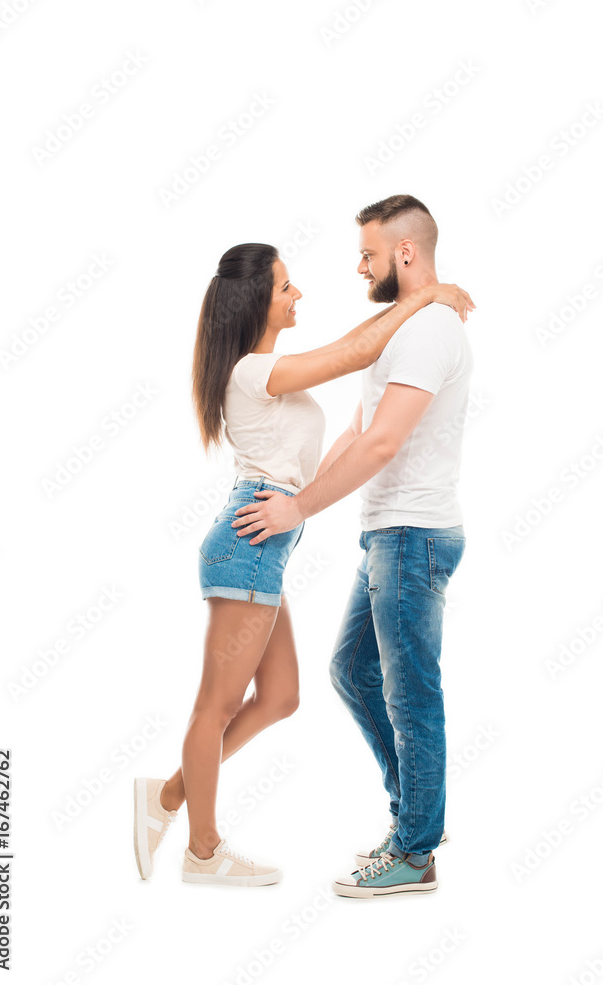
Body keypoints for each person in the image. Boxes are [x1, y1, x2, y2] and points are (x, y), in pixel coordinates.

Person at [133, 238, 473, 887]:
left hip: (264, 549)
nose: (297, 295)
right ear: (257, 300)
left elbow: (350, 364)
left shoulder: (260, 370)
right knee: (216, 706)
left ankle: (170, 795)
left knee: (282, 696)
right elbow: (353, 353)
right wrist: (425, 296)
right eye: (286, 287)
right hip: (246, 544)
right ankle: (202, 852)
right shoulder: (251, 372)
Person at [230, 195, 474, 897]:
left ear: (403, 253)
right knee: (350, 670)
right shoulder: (409, 325)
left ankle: (415, 848)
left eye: (367, 253)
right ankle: (418, 814)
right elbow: (356, 429)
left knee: (411, 696)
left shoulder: (430, 330)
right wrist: (289, 494)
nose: (358, 265)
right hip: (389, 536)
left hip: (412, 536)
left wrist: (298, 508)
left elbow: (382, 441)